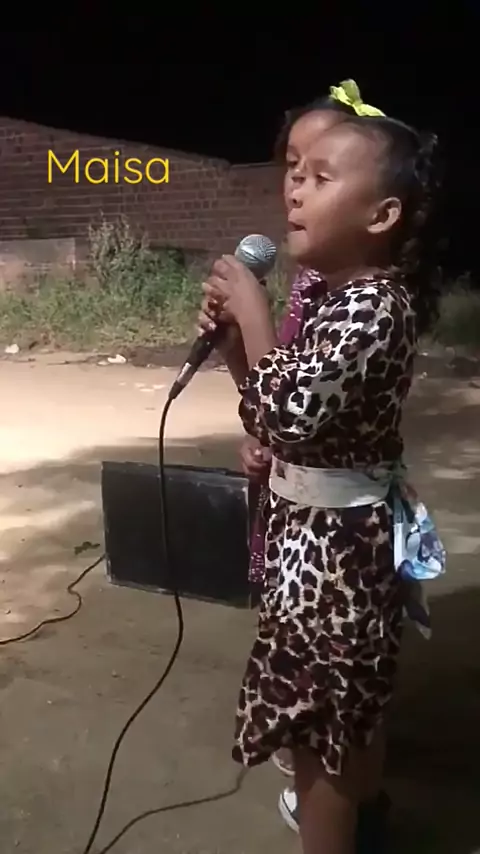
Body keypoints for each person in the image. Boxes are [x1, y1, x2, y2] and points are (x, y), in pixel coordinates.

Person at [197, 80, 444, 854]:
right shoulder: (340, 300)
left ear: (381, 215)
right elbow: (279, 419)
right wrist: (237, 348)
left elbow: (292, 413)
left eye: (322, 176)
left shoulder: (374, 307)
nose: (296, 189)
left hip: (334, 558)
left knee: (321, 733)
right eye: (294, 172)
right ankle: (363, 823)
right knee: (340, 718)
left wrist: (256, 313)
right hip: (314, 544)